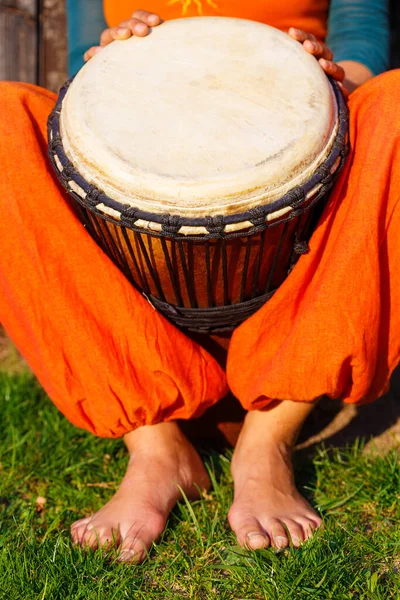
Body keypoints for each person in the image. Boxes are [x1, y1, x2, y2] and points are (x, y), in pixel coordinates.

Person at [0, 0, 397, 563]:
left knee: (396, 104)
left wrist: (329, 77)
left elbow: (363, 38)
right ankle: (157, 448)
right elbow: (81, 75)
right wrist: (110, 61)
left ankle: (268, 443)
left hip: (307, 255)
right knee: (3, 120)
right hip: (141, 287)